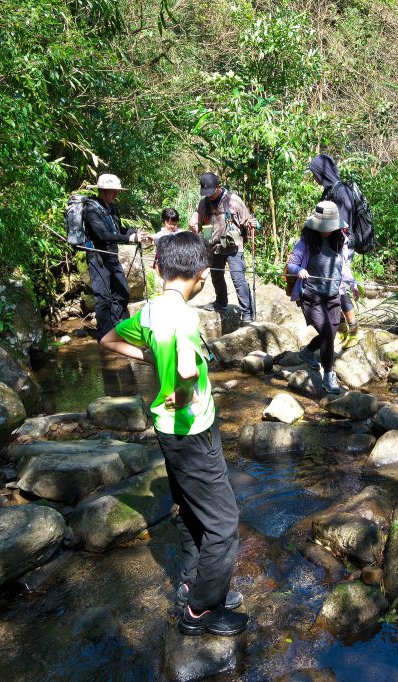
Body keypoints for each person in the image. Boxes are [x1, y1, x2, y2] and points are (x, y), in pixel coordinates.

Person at [100, 231, 247, 637]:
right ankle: (201, 611)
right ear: (202, 276)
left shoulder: (149, 312)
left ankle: (191, 581)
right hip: (192, 429)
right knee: (224, 524)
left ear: (158, 269)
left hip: (169, 431)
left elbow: (108, 339)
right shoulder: (185, 317)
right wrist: (181, 395)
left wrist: (148, 355)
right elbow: (185, 370)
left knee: (188, 504)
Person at [286, 201, 356, 396]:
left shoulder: (340, 239)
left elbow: (345, 266)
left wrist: (353, 284)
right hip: (311, 295)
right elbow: (292, 264)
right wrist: (300, 270)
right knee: (326, 332)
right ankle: (328, 376)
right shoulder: (306, 241)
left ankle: (307, 352)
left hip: (333, 295)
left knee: (330, 335)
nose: (326, 231)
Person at [83, 173, 148, 340]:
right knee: (102, 296)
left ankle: (115, 323)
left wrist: (134, 232)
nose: (116, 194)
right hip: (97, 257)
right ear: (103, 191)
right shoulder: (91, 209)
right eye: (112, 191)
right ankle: (104, 335)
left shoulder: (112, 208)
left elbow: (117, 231)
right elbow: (103, 235)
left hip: (112, 255)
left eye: (117, 191)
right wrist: (129, 239)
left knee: (123, 292)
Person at [189, 173, 258, 321]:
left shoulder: (234, 201)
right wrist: (194, 224)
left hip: (234, 246)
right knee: (216, 276)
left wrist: (252, 224)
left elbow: (248, 220)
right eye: (205, 193)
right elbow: (196, 217)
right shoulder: (204, 203)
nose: (209, 196)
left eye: (211, 192)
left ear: (219, 187)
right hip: (215, 246)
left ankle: (247, 312)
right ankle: (221, 302)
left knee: (238, 277)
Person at [307, 154, 360, 347]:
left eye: (314, 173)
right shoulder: (330, 190)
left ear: (321, 172)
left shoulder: (341, 191)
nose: (314, 178)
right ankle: (341, 329)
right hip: (329, 246)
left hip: (341, 246)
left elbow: (342, 227)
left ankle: (354, 329)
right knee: (331, 287)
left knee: (339, 286)